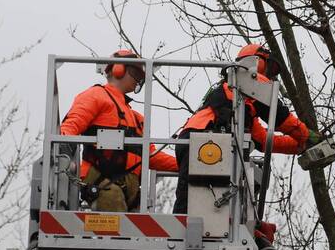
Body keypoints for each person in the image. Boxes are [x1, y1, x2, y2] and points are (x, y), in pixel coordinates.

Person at [173, 43, 315, 215]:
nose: (270, 78)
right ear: (257, 62)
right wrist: (307, 136)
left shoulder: (241, 105)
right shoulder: (244, 82)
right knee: (187, 206)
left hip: (206, 144)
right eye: (269, 70)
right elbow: (280, 117)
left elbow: (263, 140)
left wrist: (298, 146)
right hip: (200, 141)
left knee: (206, 208)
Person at [61, 49, 179, 212]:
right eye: (135, 72)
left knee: (136, 234)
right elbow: (70, 127)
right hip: (102, 182)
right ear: (118, 69)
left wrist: (184, 164)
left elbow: (150, 156)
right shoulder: (95, 95)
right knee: (114, 228)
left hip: (130, 191)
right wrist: (62, 155)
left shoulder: (136, 118)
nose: (139, 79)